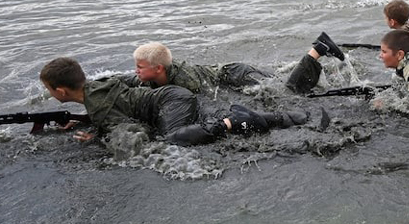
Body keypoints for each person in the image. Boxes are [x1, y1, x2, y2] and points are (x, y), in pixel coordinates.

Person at [40, 58, 326, 147]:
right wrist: (88, 123)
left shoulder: (97, 105)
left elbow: (132, 133)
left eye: (49, 90)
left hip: (172, 102)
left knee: (172, 141)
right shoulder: (97, 85)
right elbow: (119, 101)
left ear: (62, 91)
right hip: (172, 98)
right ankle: (270, 117)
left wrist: (98, 139)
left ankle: (230, 122)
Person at [125, 33, 345, 95]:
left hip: (236, 75)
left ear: (158, 69)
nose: (136, 71)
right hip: (234, 72)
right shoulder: (158, 75)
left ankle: (318, 49)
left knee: (287, 93)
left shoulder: (184, 81)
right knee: (280, 82)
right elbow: (130, 81)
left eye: (140, 67)